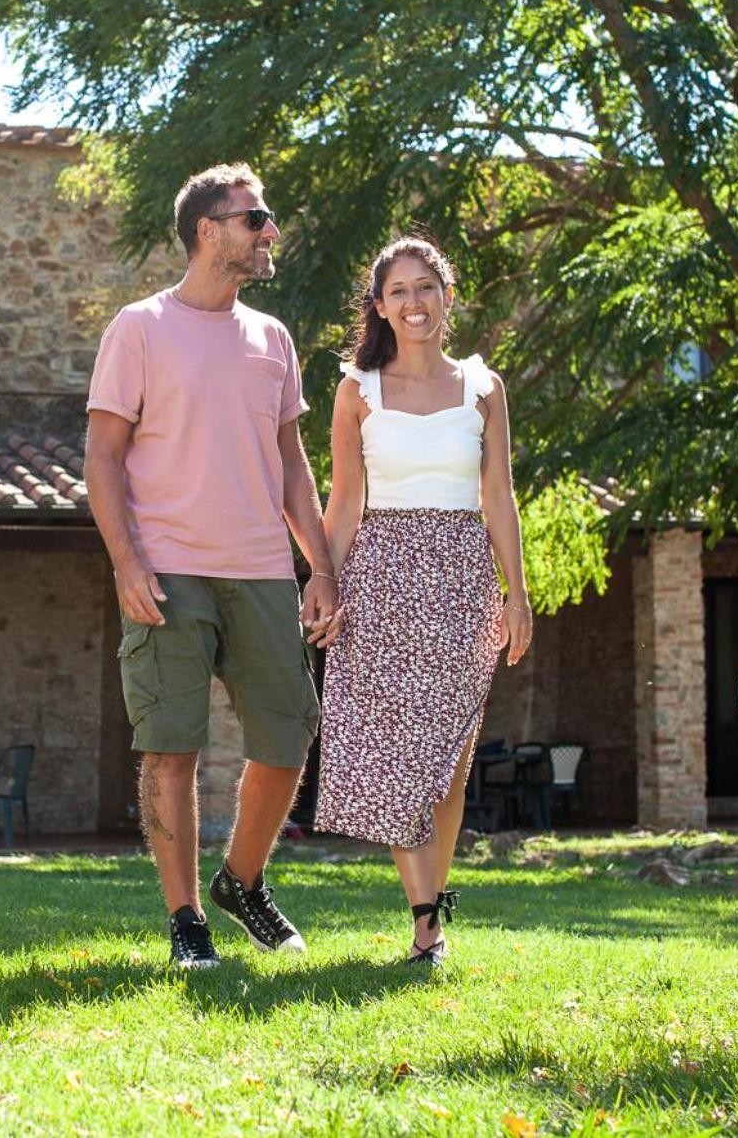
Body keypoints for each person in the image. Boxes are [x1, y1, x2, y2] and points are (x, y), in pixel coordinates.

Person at [85, 163, 342, 970]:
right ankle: (187, 920)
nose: (270, 232)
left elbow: (293, 465)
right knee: (172, 745)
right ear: (208, 231)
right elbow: (102, 453)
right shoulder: (140, 326)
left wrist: (322, 569)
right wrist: (126, 560)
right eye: (254, 218)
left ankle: (243, 881)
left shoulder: (273, 338)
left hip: (264, 569)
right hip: (168, 567)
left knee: (288, 735)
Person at [314, 236, 532, 967]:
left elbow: (497, 496)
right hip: (382, 579)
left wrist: (518, 592)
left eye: (426, 287)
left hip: (465, 579)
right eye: (399, 291)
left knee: (450, 759)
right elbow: (343, 503)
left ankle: (436, 906)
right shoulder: (357, 391)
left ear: (446, 295)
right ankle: (425, 926)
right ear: (380, 305)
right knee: (404, 756)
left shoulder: (484, 388)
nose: (415, 302)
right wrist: (323, 579)